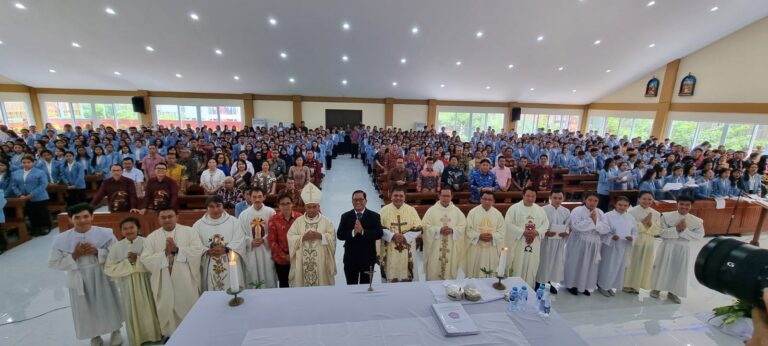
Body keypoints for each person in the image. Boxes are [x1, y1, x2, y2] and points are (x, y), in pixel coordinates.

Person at [47, 203, 123, 346]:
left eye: (86, 216)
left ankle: (115, 331)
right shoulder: (61, 239)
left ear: (92, 217)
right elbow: (53, 263)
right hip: (78, 276)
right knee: (84, 307)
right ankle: (94, 335)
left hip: (101, 273)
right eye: (77, 217)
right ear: (70, 219)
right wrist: (75, 255)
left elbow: (117, 254)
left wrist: (98, 252)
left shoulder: (105, 233)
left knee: (109, 303)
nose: (82, 220)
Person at [140, 207, 205, 339]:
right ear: (158, 219)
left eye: (170, 216)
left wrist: (177, 250)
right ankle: (171, 336)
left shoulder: (189, 232)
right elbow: (145, 259)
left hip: (185, 280)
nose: (167, 220)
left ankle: (192, 336)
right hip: (163, 282)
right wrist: (164, 254)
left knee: (188, 308)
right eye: (163, 217)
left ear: (177, 217)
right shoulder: (152, 238)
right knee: (167, 309)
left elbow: (198, 250)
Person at [104, 217, 162, 346]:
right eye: (125, 228)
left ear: (138, 229)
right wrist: (128, 263)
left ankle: (154, 334)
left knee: (150, 307)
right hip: (127, 284)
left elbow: (156, 261)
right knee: (131, 310)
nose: (129, 230)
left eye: (132, 227)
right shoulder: (116, 247)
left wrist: (139, 259)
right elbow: (109, 268)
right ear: (121, 231)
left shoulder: (147, 242)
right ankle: (137, 337)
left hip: (146, 281)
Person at [649, 195, 704, 304]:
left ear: (691, 206)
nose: (684, 207)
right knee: (662, 266)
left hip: (682, 248)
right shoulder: (666, 216)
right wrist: (676, 229)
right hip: (667, 245)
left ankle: (673, 292)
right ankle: (656, 289)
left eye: (687, 205)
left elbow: (699, 236)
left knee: (678, 270)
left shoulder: (697, 221)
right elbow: (661, 232)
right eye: (681, 204)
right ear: (677, 204)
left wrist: (684, 231)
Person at [287, 183, 337, 286]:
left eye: (314, 207)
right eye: (309, 207)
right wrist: (303, 237)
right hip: (302, 261)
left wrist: (321, 236)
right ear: (305, 207)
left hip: (321, 261)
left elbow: (332, 238)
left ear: (319, 207)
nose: (312, 209)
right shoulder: (298, 222)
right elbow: (290, 237)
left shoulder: (326, 221)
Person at [194, 195, 245, 291]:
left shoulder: (234, 222)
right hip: (209, 261)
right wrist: (206, 251)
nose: (215, 209)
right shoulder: (198, 225)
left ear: (223, 206)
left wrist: (226, 248)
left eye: (218, 206)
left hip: (229, 261)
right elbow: (195, 244)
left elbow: (239, 240)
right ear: (207, 208)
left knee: (232, 286)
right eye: (211, 207)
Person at [564, 192, 611, 296]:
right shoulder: (577, 210)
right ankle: (572, 285)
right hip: (579, 242)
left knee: (589, 265)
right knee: (576, 263)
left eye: (595, 201)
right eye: (590, 200)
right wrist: (592, 221)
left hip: (594, 243)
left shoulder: (600, 212)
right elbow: (576, 226)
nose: (592, 203)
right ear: (585, 199)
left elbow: (606, 228)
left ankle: (584, 285)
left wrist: (595, 221)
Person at [504, 187, 549, 287]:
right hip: (518, 243)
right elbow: (508, 223)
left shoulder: (540, 210)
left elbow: (545, 224)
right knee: (517, 264)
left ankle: (528, 288)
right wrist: (522, 232)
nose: (530, 198)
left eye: (533, 196)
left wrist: (536, 232)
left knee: (531, 265)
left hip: (534, 242)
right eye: (528, 196)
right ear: (523, 195)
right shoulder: (514, 208)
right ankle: (513, 287)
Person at [337, 190, 383, 284]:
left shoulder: (374, 216)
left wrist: (363, 231)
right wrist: (353, 232)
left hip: (368, 258)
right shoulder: (345, 216)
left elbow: (379, 233)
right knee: (351, 285)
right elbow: (340, 235)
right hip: (350, 258)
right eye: (355, 199)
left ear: (366, 201)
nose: (358, 202)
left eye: (361, 199)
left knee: (366, 286)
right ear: (352, 201)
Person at [596, 196, 637, 297]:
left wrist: (632, 237)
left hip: (623, 246)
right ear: (615, 204)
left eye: (625, 205)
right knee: (608, 266)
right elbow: (602, 231)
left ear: (628, 206)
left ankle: (610, 286)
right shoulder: (607, 216)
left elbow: (635, 232)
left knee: (618, 267)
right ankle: (602, 286)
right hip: (610, 246)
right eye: (620, 205)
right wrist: (611, 237)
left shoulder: (630, 217)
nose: (622, 207)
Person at [422, 188, 467, 281]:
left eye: (448, 196)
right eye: (443, 196)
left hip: (451, 243)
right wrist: (438, 230)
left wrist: (453, 230)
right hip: (435, 245)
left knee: (450, 269)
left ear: (452, 197)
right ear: (439, 196)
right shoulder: (431, 210)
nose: (445, 198)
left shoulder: (457, 211)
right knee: (434, 268)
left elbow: (463, 226)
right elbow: (425, 226)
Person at [379, 187, 422, 282]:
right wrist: (392, 236)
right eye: (395, 195)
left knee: (407, 276)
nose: (398, 198)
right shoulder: (384, 210)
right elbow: (378, 227)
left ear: (405, 197)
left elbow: (419, 227)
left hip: (407, 247)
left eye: (401, 196)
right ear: (391, 196)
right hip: (390, 248)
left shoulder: (411, 210)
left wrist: (405, 237)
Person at [237, 188, 278, 288]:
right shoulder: (243, 215)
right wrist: (250, 241)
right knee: (253, 276)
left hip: (266, 251)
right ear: (250, 198)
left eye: (260, 196)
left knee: (268, 275)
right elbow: (240, 234)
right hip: (251, 252)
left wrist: (264, 239)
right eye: (254, 197)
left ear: (264, 197)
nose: (257, 199)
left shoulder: (271, 212)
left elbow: (275, 231)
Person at [624, 190, 661, 294]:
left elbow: (658, 230)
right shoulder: (631, 212)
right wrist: (643, 223)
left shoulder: (656, 213)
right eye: (644, 198)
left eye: (650, 199)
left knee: (644, 263)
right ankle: (627, 284)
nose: (647, 201)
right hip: (636, 240)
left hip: (649, 240)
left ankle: (638, 285)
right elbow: (629, 227)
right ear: (639, 199)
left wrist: (650, 224)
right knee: (633, 262)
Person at [464, 191, 505, 278]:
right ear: (480, 199)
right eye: (485, 199)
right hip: (476, 248)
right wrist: (478, 236)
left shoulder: (498, 214)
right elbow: (468, 230)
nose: (487, 201)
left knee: (490, 272)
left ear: (493, 201)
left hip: (491, 248)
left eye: (490, 199)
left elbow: (502, 232)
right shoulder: (473, 213)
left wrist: (492, 236)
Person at [537, 190, 570, 294]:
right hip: (545, 241)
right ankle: (538, 283)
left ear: (563, 198)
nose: (557, 200)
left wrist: (566, 232)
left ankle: (549, 282)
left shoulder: (566, 211)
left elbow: (568, 225)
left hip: (558, 241)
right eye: (555, 198)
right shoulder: (543, 210)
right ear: (550, 197)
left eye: (560, 198)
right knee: (544, 262)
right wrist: (545, 232)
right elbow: (539, 224)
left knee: (554, 262)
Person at [267, 192, 302, 288]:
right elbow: (272, 241)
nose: (286, 206)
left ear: (292, 204)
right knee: (284, 284)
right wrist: (284, 256)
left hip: (297, 257)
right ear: (278, 205)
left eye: (288, 203)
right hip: (281, 259)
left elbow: (303, 238)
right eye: (282, 204)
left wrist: (294, 254)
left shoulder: (300, 218)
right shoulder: (273, 220)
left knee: (299, 283)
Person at [11, 155, 52, 234]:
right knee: (31, 213)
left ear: (33, 163)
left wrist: (32, 194)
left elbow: (43, 184)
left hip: (39, 197)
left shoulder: (40, 172)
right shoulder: (16, 173)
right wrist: (19, 195)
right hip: (24, 197)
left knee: (42, 213)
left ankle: (46, 226)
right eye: (24, 162)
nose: (26, 164)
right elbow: (14, 185)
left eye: (28, 162)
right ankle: (35, 227)